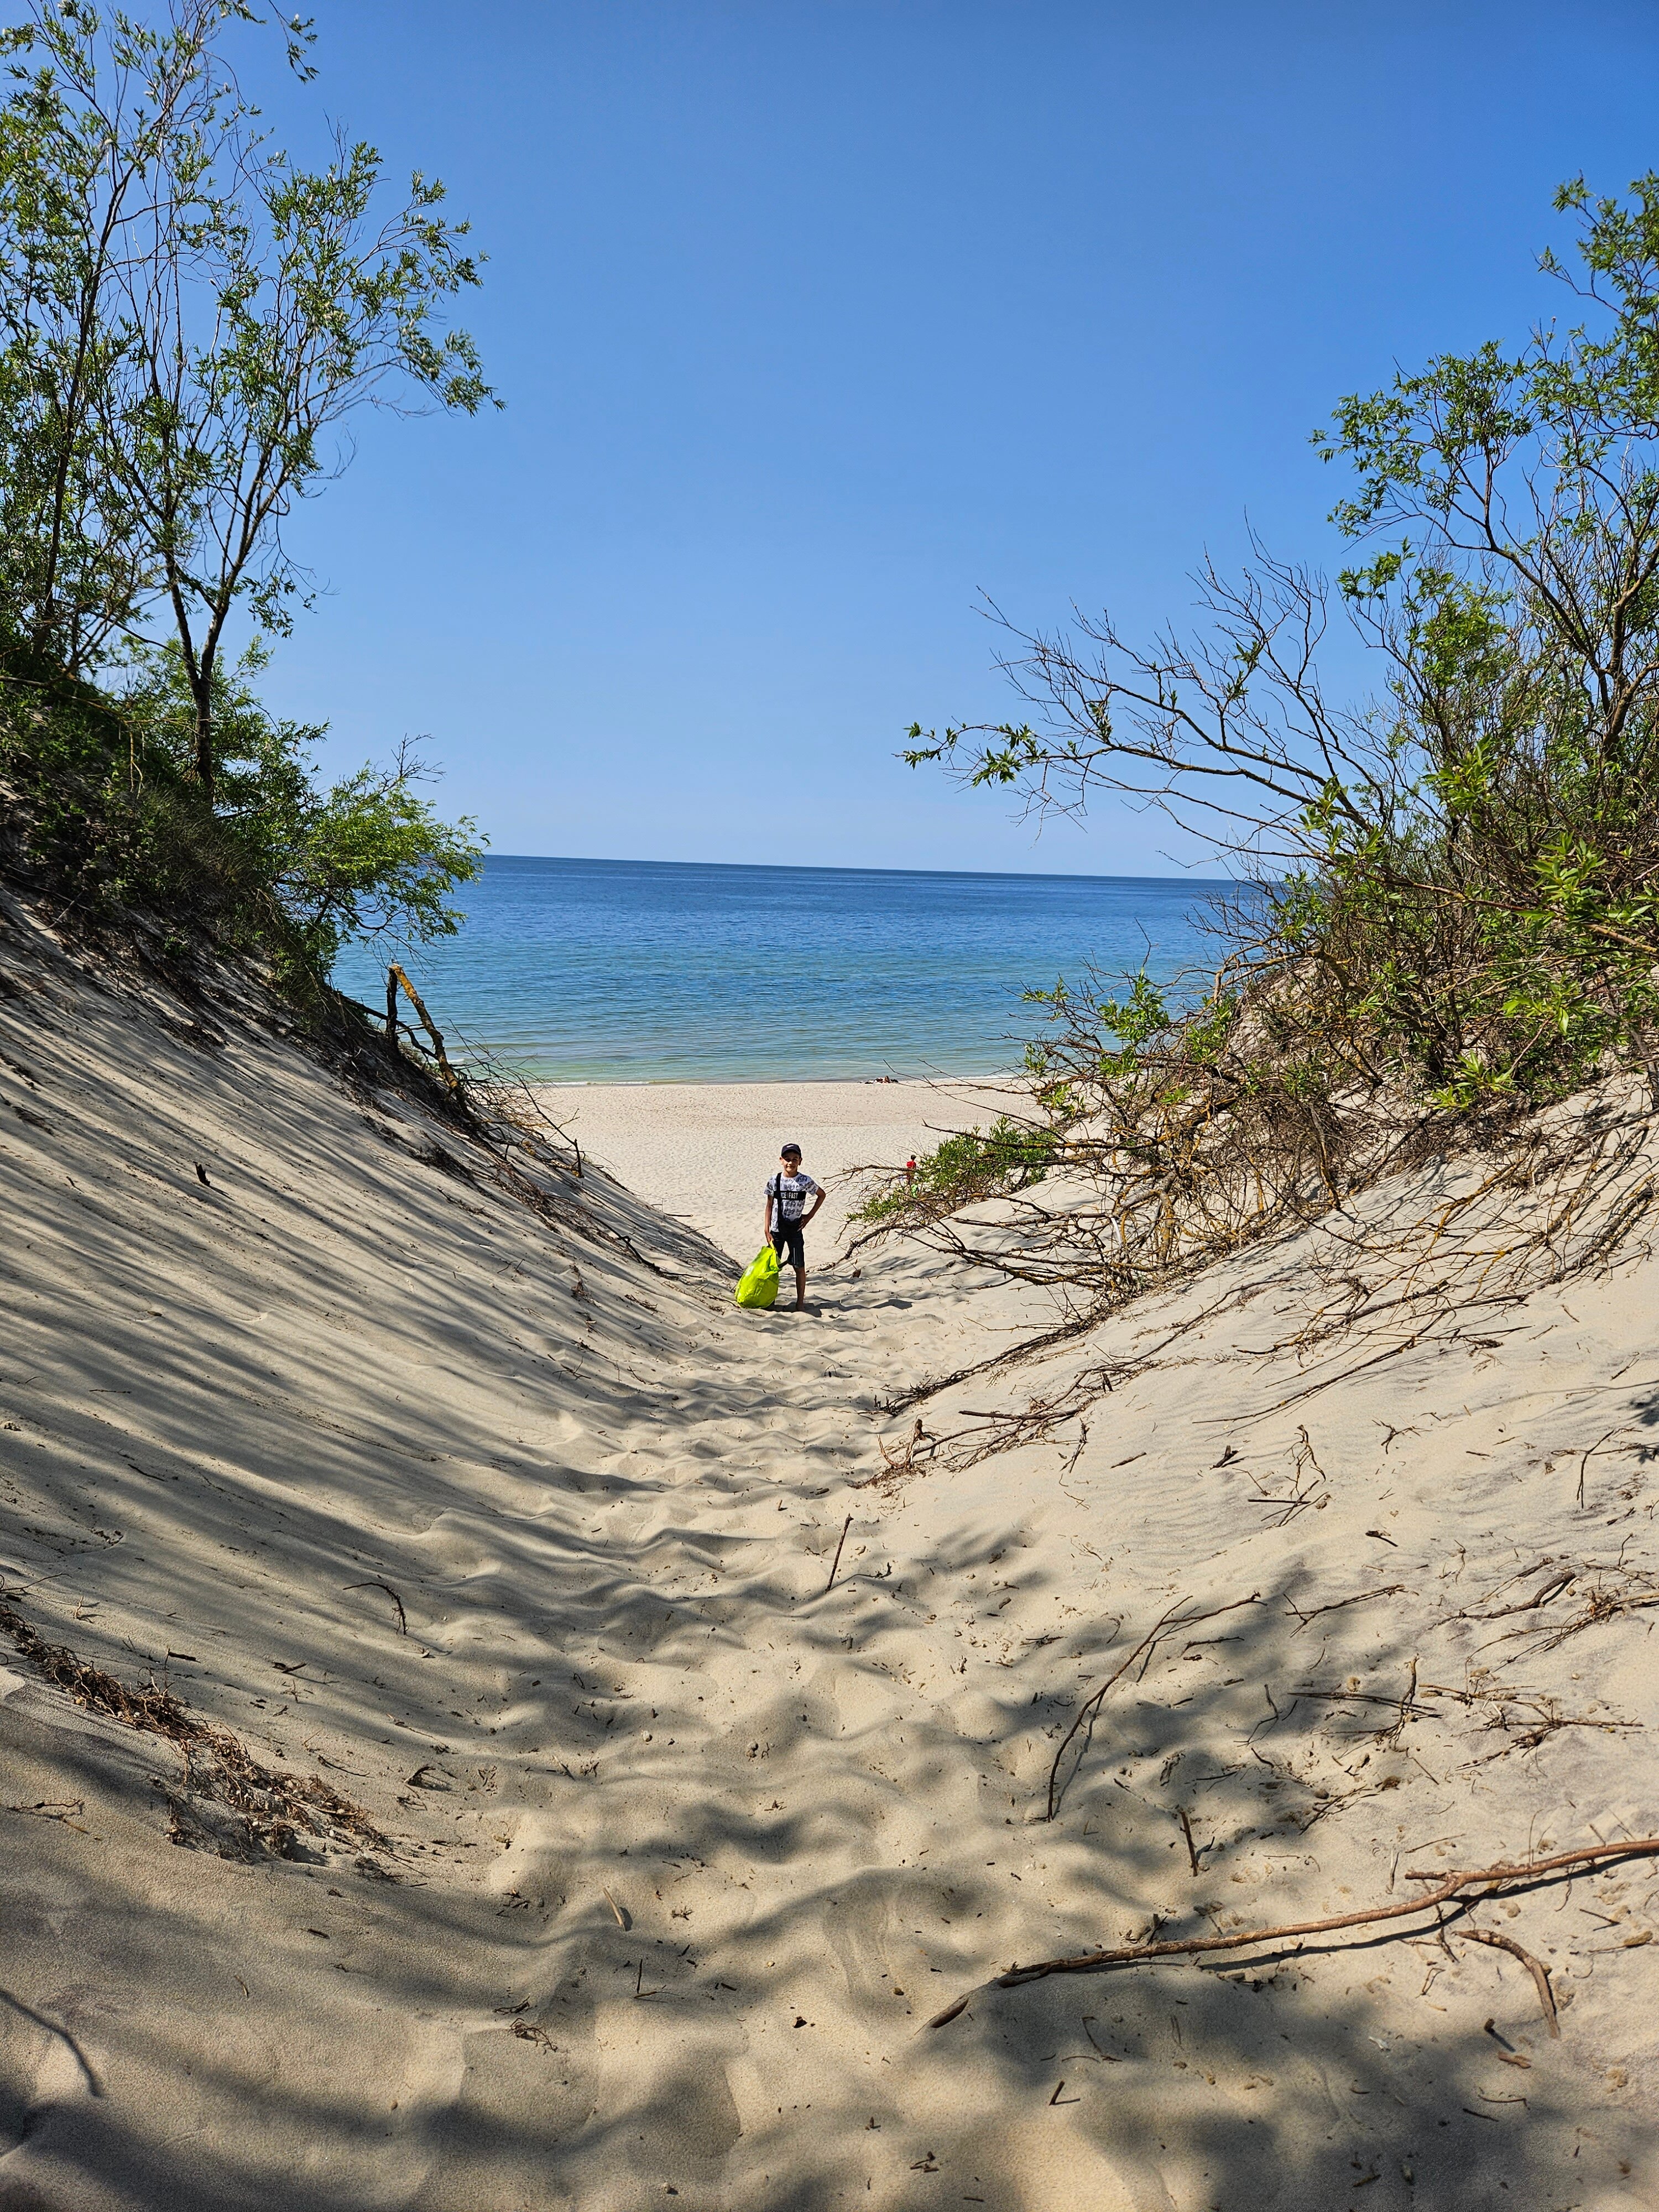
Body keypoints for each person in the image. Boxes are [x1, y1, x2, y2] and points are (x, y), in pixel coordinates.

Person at [764, 1144, 823, 1312]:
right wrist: (766, 1229)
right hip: (776, 1230)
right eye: (788, 1159)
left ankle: (800, 1304)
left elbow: (821, 1195)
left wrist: (809, 1216)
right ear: (781, 1160)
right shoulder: (774, 1180)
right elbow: (769, 1205)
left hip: (796, 1230)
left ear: (800, 1161)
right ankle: (769, 1302)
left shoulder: (805, 1181)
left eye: (795, 1159)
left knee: (799, 1266)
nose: (791, 1162)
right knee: (772, 1268)